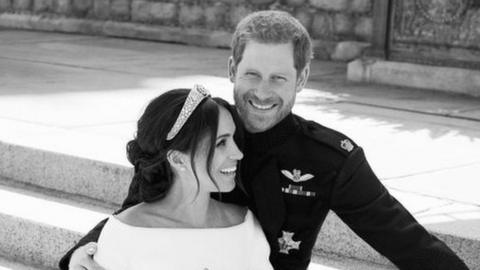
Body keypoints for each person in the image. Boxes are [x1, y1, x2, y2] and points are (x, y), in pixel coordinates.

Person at [60, 10, 469, 270]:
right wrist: (81, 251)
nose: (262, 91)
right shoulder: (196, 132)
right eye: (252, 74)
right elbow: (140, 208)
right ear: (232, 68)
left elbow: (405, 240)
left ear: (302, 79)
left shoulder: (329, 158)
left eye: (279, 78)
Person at [89, 85, 273, 270]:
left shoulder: (244, 226)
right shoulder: (125, 233)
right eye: (221, 143)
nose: (238, 153)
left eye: (233, 138)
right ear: (178, 159)